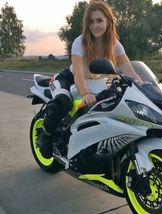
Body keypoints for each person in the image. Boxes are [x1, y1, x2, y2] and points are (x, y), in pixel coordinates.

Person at [39, 0, 141, 158]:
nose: (95, 26)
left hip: (94, 80)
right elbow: (78, 74)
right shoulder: (80, 42)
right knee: (62, 102)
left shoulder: (114, 44)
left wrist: (142, 85)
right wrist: (85, 93)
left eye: (99, 20)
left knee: (112, 103)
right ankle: (45, 136)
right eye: (91, 21)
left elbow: (129, 69)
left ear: (108, 21)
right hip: (69, 78)